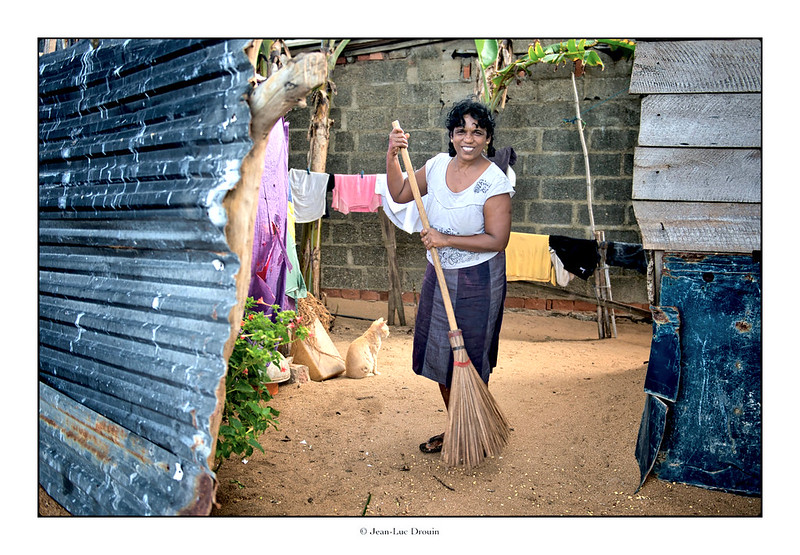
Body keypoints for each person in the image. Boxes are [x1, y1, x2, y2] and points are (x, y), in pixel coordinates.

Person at [386, 98, 514, 454]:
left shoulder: (495, 183)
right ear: (452, 135)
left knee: (471, 356)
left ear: (487, 138)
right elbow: (399, 192)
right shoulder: (437, 166)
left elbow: (497, 239)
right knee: (443, 353)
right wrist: (393, 154)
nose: (468, 138)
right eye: (461, 131)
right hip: (440, 274)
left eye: (477, 132)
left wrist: (445, 239)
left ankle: (475, 427)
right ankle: (461, 424)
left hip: (480, 279)